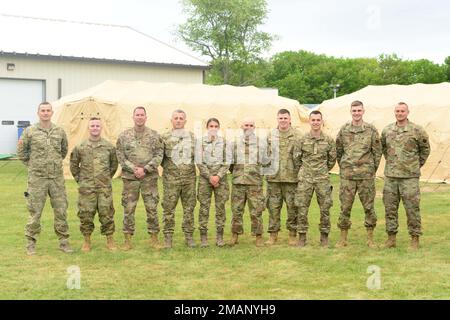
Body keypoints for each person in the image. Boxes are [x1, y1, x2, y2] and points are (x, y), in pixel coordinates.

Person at [17, 101, 73, 255]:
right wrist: (34, 165)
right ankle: (30, 243)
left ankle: (63, 242)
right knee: (35, 211)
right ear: (38, 113)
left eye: (48, 110)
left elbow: (63, 150)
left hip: (56, 179)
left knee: (61, 210)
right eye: (43, 110)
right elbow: (22, 152)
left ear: (52, 112)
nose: (46, 113)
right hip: (37, 179)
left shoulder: (59, 131)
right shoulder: (30, 131)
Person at [381, 102, 430, 249]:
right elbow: (384, 148)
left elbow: (425, 150)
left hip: (410, 178)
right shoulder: (387, 130)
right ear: (394, 112)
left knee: (412, 209)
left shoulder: (417, 130)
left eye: (402, 111)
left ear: (408, 112)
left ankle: (414, 239)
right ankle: (391, 239)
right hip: (391, 177)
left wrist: (414, 165)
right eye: (397, 111)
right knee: (390, 208)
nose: (400, 113)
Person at [335, 101, 382, 248]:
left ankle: (370, 238)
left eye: (359, 110)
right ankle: (343, 239)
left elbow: (377, 152)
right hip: (348, 177)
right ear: (350, 111)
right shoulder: (344, 130)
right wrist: (344, 167)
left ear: (363, 111)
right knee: (345, 207)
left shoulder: (371, 130)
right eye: (354, 110)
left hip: (365, 177)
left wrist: (370, 169)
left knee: (369, 207)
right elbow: (338, 151)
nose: (356, 113)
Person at [116, 107, 163, 250]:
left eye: (142, 115)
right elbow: (120, 156)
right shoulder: (124, 136)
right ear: (133, 117)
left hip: (149, 178)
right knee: (128, 208)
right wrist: (134, 169)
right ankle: (127, 240)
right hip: (130, 179)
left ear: (146, 117)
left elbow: (159, 155)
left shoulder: (154, 136)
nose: (140, 117)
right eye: (137, 115)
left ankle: (154, 239)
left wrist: (146, 169)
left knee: (152, 208)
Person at [70, 117, 119, 252]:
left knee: (107, 213)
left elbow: (114, 165)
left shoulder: (109, 147)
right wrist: (81, 180)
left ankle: (110, 240)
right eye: (92, 126)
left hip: (104, 188)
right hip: (86, 188)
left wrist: (106, 178)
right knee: (86, 214)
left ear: (101, 128)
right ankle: (87, 241)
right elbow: (74, 165)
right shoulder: (81, 147)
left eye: (97, 125)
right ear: (88, 128)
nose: (95, 128)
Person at [294, 110, 336, 248]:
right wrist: (306, 171)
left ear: (322, 121)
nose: (316, 122)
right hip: (305, 179)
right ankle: (301, 236)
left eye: (318, 120)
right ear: (309, 121)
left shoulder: (329, 140)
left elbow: (332, 160)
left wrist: (322, 170)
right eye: (313, 120)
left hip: (322, 179)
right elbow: (296, 159)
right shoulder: (302, 139)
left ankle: (324, 236)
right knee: (302, 208)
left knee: (325, 208)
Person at [229, 118, 269, 247]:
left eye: (251, 125)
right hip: (238, 182)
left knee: (256, 211)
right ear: (242, 126)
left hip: (254, 183)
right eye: (246, 124)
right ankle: (235, 235)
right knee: (236, 211)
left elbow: (266, 161)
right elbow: (230, 163)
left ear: (254, 127)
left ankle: (258, 236)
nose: (249, 127)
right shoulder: (234, 143)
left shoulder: (261, 144)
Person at [265, 109, 302, 246]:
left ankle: (292, 234)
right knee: (273, 208)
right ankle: (273, 235)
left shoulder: (298, 135)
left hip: (292, 179)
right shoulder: (271, 135)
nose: (283, 120)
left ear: (290, 119)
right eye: (280, 118)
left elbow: (302, 157)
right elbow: (265, 156)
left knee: (292, 208)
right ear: (277, 119)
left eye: (285, 118)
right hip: (274, 179)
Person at [161, 109, 197, 248]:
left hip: (189, 180)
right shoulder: (164, 138)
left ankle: (189, 236)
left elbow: (197, 157)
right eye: (175, 118)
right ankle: (168, 237)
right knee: (168, 209)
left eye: (181, 118)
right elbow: (160, 158)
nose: (178, 120)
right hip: (171, 180)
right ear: (171, 120)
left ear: (185, 121)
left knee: (189, 209)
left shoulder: (193, 138)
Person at [196, 118, 230, 247]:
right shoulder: (200, 143)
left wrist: (218, 176)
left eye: (216, 126)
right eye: (211, 126)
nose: (213, 128)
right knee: (204, 208)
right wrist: (210, 177)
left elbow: (227, 161)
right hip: (205, 180)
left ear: (219, 128)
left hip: (221, 180)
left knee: (220, 208)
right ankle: (203, 237)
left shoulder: (225, 143)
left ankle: (219, 237)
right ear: (207, 127)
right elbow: (199, 161)